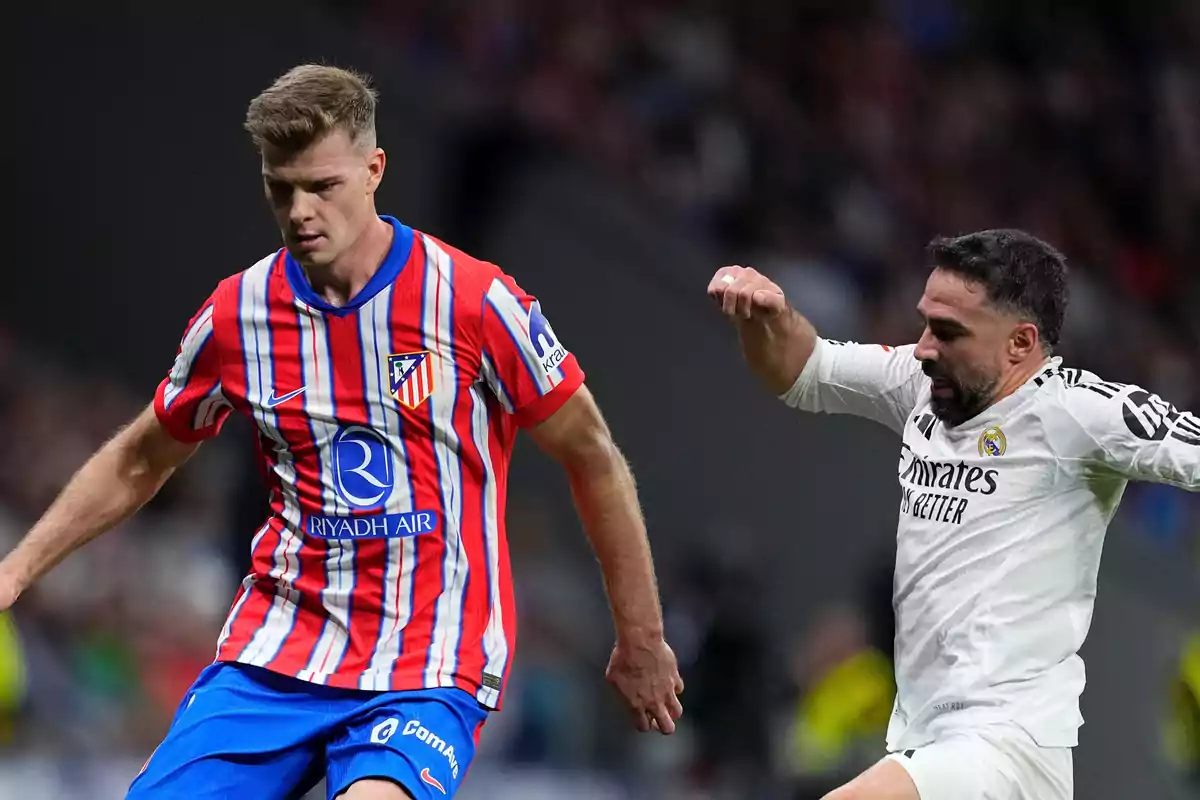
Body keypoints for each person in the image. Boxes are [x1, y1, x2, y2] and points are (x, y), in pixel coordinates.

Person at [0, 64, 683, 800]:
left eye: (321, 186)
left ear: (373, 170)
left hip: (426, 663)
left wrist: (640, 636)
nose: (299, 212)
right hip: (276, 655)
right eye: (280, 187)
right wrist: (17, 569)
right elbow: (142, 456)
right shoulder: (238, 317)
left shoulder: (476, 302)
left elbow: (594, 457)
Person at [708, 228, 1199, 800]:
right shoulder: (919, 385)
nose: (922, 347)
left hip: (1005, 746)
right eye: (925, 322)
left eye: (948, 332)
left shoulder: (1080, 414)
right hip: (928, 740)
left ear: (1021, 343)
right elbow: (804, 369)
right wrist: (766, 316)